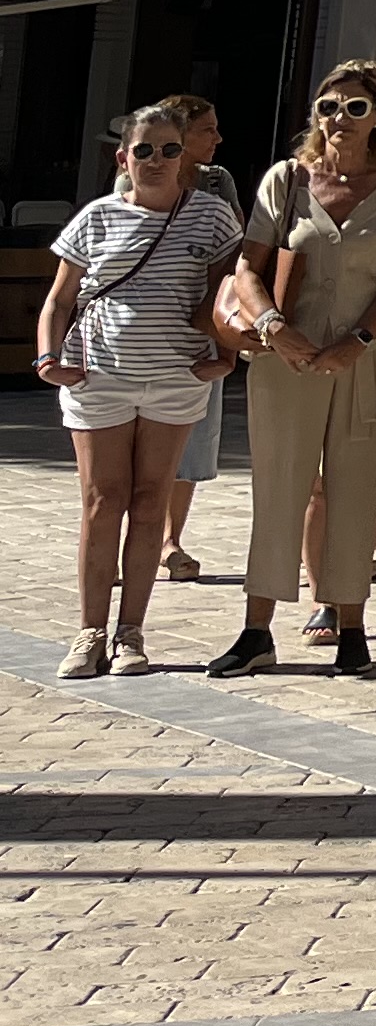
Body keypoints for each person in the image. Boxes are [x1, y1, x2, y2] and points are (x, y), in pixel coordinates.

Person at [206, 62, 376, 678]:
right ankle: (256, 631)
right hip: (286, 357)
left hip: (367, 358)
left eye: (355, 108)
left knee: (357, 489)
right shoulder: (288, 179)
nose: (339, 120)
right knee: (278, 488)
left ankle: (351, 626)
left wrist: (357, 340)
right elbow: (249, 266)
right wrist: (275, 327)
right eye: (329, 107)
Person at [40, 107, 242, 678]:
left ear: (187, 157)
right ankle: (88, 633)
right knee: (102, 503)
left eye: (170, 149)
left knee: (151, 500)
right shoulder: (96, 218)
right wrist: (47, 357)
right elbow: (60, 297)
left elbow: (230, 293)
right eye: (146, 150)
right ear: (122, 157)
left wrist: (227, 356)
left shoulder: (212, 217)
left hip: (175, 381)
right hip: (98, 378)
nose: (157, 161)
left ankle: (131, 633)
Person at [150, 95, 232, 587]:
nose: (218, 139)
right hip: (152, 329)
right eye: (208, 129)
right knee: (143, 439)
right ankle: (131, 539)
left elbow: (237, 249)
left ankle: (168, 539)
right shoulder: (142, 177)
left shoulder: (219, 183)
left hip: (203, 328)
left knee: (192, 438)